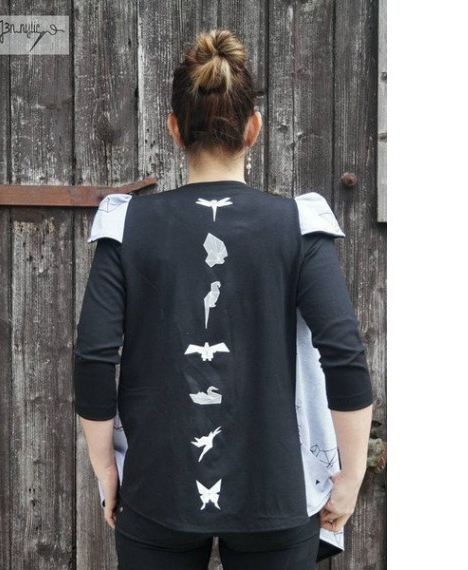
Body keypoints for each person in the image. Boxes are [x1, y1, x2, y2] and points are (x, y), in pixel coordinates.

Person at [73, 28, 374, 570]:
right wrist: (350, 477)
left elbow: (94, 356)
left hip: (156, 488)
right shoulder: (298, 225)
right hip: (276, 490)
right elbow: (344, 354)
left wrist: (106, 471)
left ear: (174, 129)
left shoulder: (127, 224)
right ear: (253, 128)